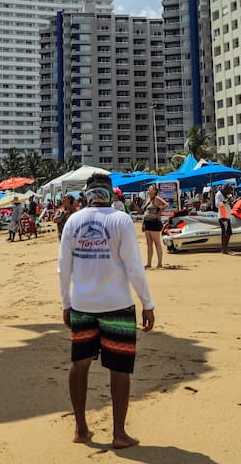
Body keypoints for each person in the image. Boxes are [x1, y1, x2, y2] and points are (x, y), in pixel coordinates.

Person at [58, 171, 155, 449]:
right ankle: (119, 433)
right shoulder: (120, 220)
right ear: (110, 193)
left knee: (80, 363)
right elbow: (134, 266)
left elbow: (63, 268)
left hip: (83, 304)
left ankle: (80, 428)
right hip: (117, 304)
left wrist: (66, 303)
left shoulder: (73, 221)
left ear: (86, 194)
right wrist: (147, 303)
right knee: (119, 368)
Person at [140, 184, 169, 269]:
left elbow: (166, 205)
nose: (149, 190)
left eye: (151, 189)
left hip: (154, 222)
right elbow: (145, 212)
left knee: (157, 243)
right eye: (149, 188)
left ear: (155, 191)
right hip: (147, 222)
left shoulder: (156, 198)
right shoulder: (147, 199)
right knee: (149, 244)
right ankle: (149, 263)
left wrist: (160, 212)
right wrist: (143, 224)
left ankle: (159, 263)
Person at [215, 184, 232, 255]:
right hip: (223, 216)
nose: (229, 191)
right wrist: (225, 201)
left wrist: (230, 200)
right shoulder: (219, 194)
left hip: (227, 216)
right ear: (225, 188)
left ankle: (226, 248)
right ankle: (224, 249)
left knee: (228, 233)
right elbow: (217, 204)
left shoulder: (226, 194)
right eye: (228, 189)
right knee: (225, 233)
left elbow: (227, 203)